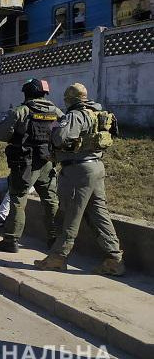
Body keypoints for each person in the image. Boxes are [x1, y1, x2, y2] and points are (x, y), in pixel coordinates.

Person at [34, 83, 125, 276]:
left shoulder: (75, 115)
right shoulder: (97, 113)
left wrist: (55, 127)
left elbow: (59, 138)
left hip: (78, 170)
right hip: (96, 167)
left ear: (70, 100)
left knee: (71, 215)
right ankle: (114, 259)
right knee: (99, 214)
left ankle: (58, 257)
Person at [0, 78, 62, 253]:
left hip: (26, 164)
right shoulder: (56, 112)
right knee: (50, 200)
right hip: (47, 162)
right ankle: (54, 239)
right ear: (44, 94)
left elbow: (2, 134)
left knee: (17, 199)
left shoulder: (21, 111)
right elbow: (61, 135)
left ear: (27, 93)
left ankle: (11, 240)